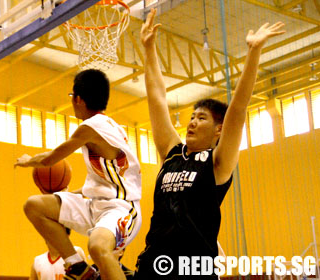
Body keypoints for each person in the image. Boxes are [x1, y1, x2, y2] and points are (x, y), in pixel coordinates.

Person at [134, 9, 285, 279]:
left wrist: (253, 53)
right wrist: (148, 48)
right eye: (191, 117)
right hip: (154, 265)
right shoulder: (171, 153)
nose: (192, 122)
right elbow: (157, 96)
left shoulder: (217, 163)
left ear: (219, 129)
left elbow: (237, 111)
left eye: (201, 118)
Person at [15, 69, 142, 280]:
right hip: (95, 205)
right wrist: (70, 194)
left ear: (78, 99)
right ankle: (79, 268)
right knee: (34, 205)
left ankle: (113, 271)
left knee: (97, 246)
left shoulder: (91, 127)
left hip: (121, 209)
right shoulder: (109, 126)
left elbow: (50, 159)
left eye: (72, 97)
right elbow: (108, 181)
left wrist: (27, 160)